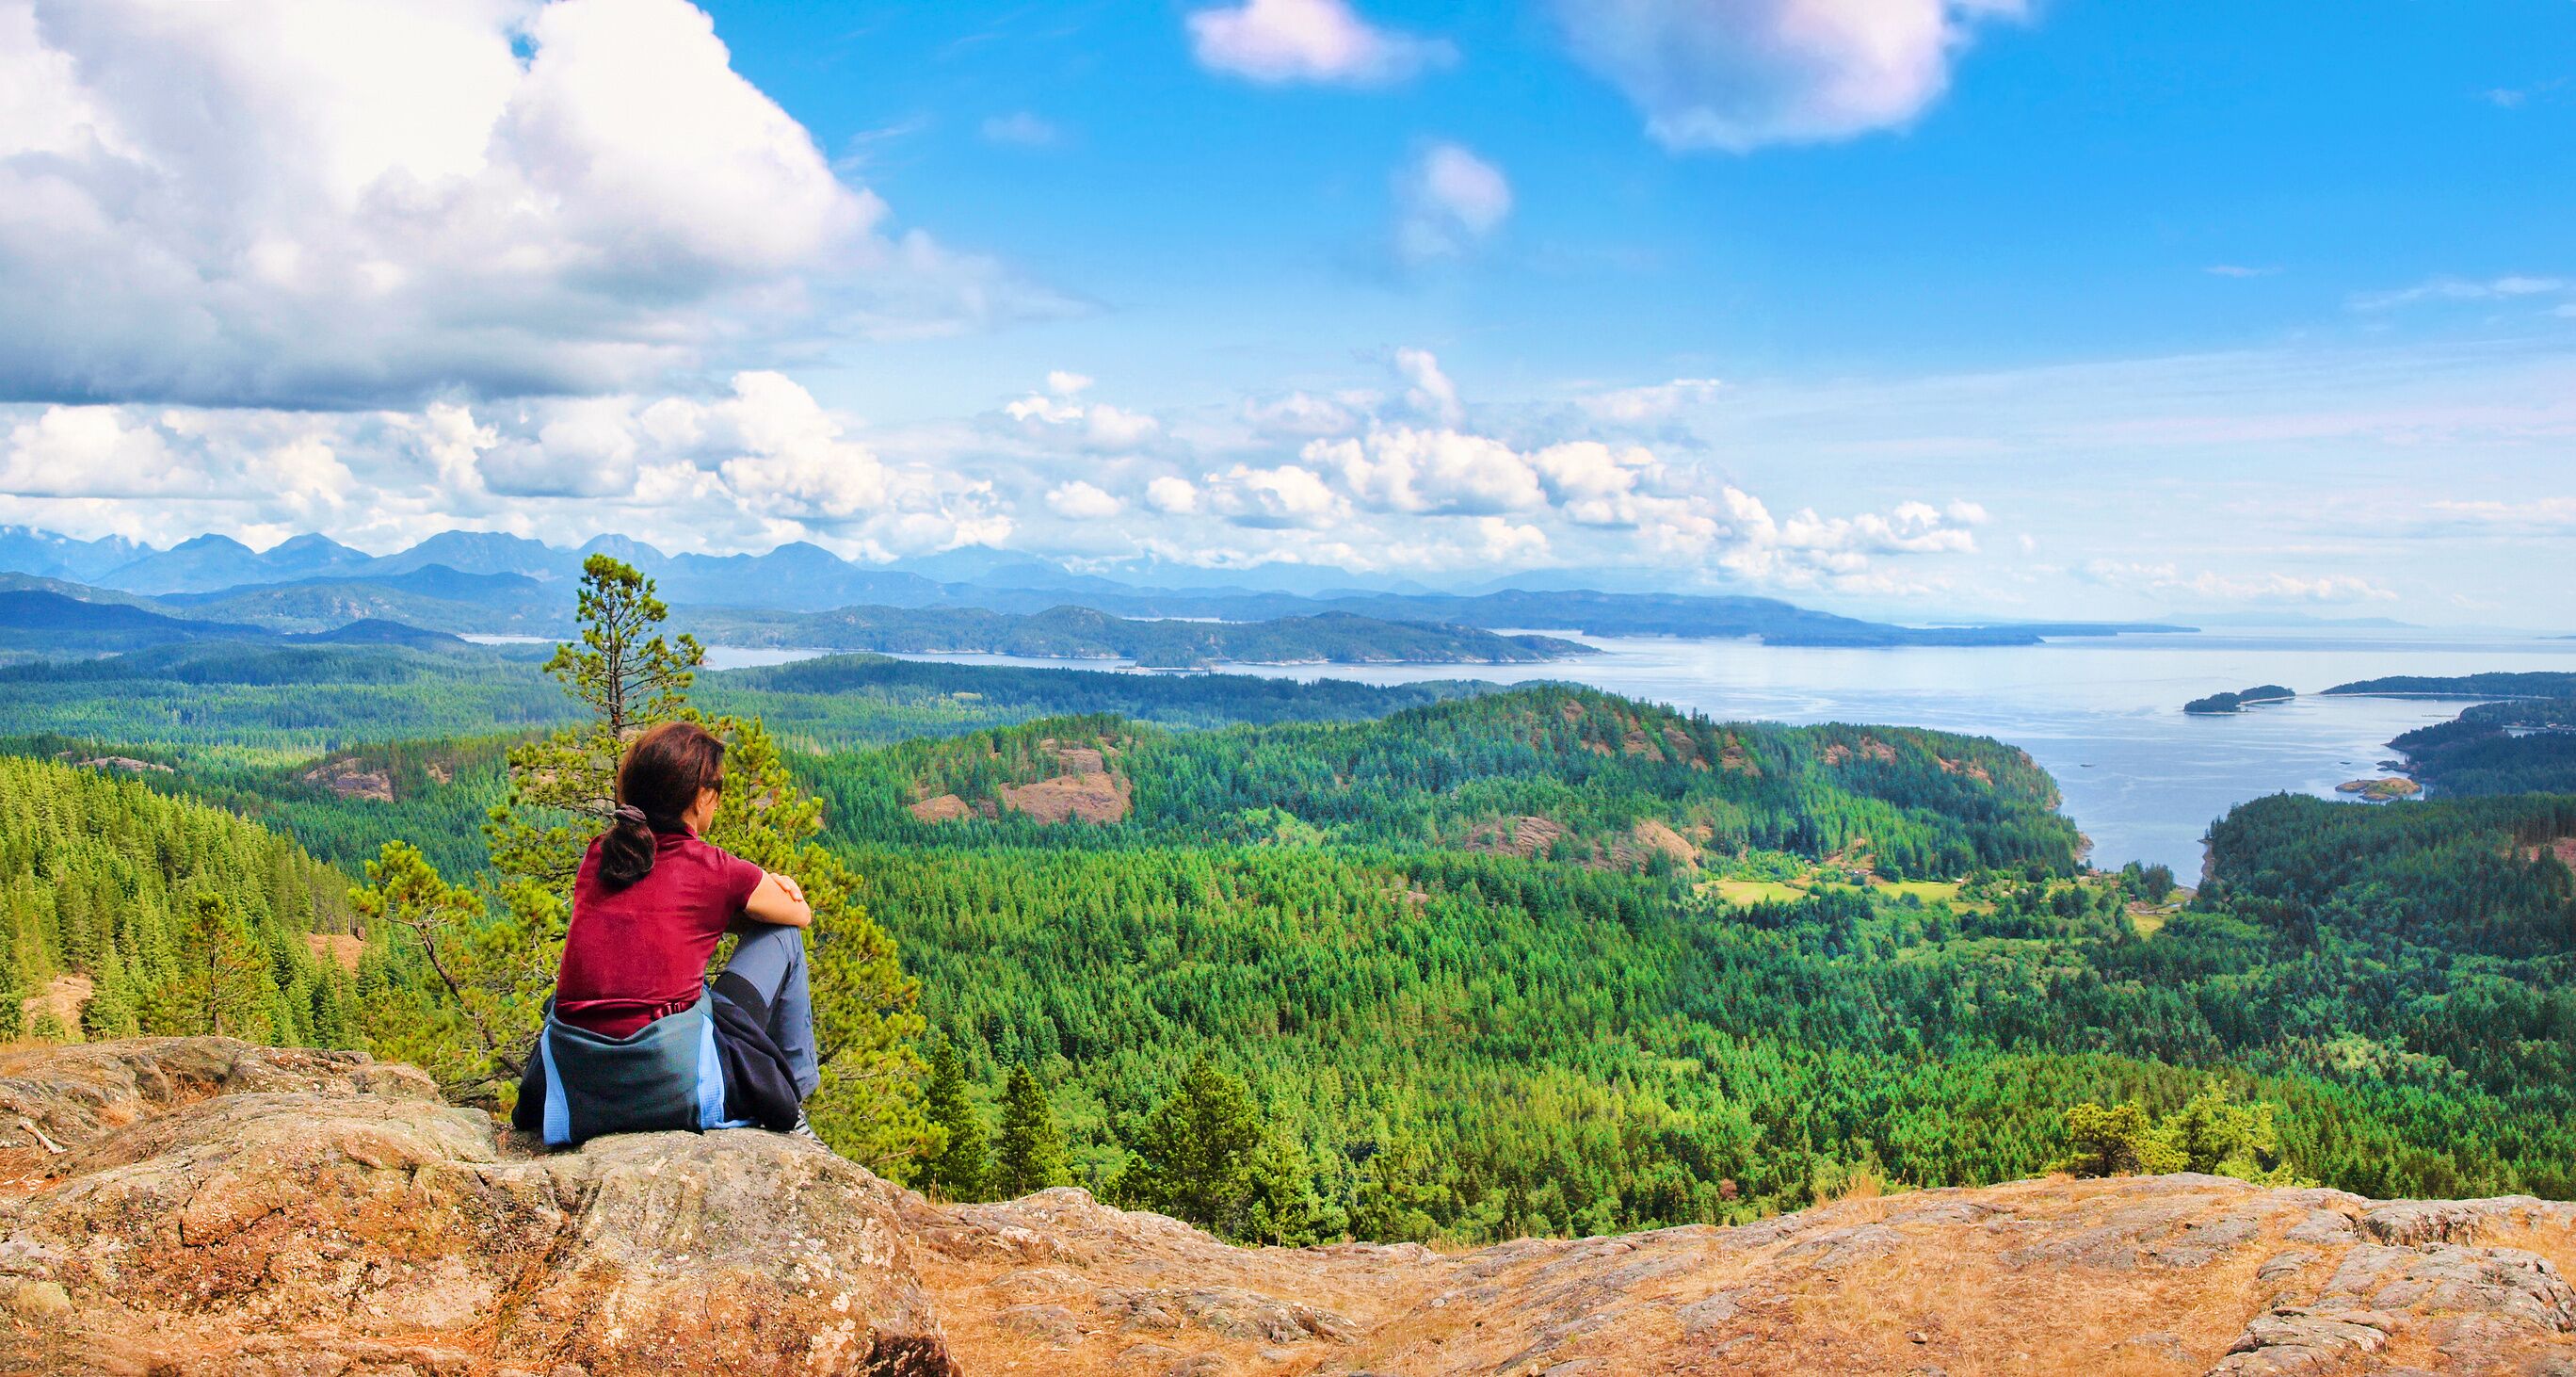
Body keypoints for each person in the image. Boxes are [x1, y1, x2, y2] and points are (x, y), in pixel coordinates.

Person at [511, 721, 822, 1148]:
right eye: (718, 789)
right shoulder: (714, 868)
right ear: (700, 797)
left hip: (579, 1083)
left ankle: (789, 1098)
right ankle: (794, 1100)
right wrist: (777, 882)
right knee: (783, 937)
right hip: (671, 1080)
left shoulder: (601, 854)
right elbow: (797, 915)